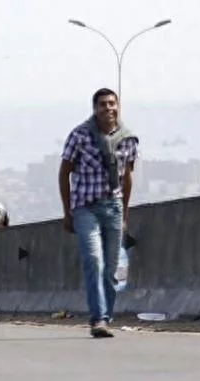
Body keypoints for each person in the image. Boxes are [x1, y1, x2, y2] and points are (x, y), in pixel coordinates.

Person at [59, 88, 139, 339]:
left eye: (112, 104)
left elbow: (127, 177)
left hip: (113, 207)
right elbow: (64, 173)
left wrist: (124, 213)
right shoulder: (80, 136)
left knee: (112, 268)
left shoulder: (128, 139)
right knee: (93, 260)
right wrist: (67, 211)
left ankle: (106, 315)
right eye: (103, 104)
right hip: (85, 207)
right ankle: (99, 319)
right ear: (95, 109)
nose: (108, 108)